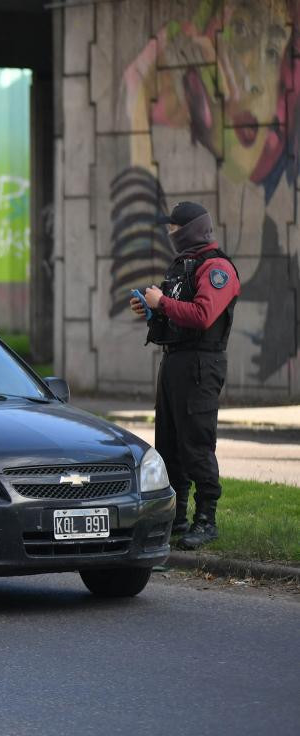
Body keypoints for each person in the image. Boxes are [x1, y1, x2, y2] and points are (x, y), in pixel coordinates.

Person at [130, 201, 240, 550]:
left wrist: (162, 302)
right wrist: (151, 310)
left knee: (196, 444)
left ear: (192, 229)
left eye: (175, 228)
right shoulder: (183, 266)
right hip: (175, 362)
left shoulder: (217, 267)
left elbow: (204, 314)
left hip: (200, 366)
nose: (170, 234)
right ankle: (175, 517)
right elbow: (175, 317)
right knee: (169, 444)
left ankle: (206, 520)